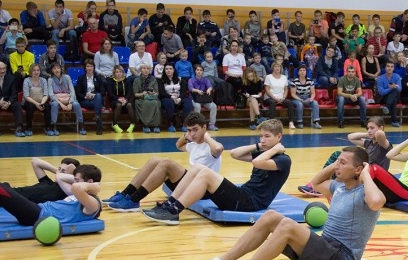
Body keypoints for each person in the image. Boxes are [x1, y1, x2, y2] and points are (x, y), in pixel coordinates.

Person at [188, 146, 385, 260]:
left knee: (288, 226)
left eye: (343, 163)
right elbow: (315, 183)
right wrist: (335, 165)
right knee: (271, 217)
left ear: (358, 169)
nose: (337, 166)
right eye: (337, 161)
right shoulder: (339, 187)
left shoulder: (366, 193)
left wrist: (366, 174)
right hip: (325, 252)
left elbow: (377, 202)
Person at [142, 120, 290, 224]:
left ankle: (173, 212)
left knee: (205, 173)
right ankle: (169, 204)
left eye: (267, 136)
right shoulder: (263, 153)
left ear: (279, 137)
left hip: (251, 203)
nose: (262, 140)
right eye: (261, 136)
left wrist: (275, 149)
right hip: (242, 195)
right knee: (197, 168)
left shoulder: (283, 160)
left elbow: (258, 162)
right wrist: (259, 145)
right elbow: (234, 153)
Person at [105, 113, 223, 212]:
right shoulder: (194, 145)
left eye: (195, 130)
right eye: (189, 130)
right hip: (188, 184)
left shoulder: (211, 147)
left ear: (204, 127)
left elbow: (218, 149)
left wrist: (206, 135)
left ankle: (134, 200)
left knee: (167, 163)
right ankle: (126, 193)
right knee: (155, 160)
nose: (192, 134)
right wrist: (186, 135)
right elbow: (179, 145)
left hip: (202, 190)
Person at [298, 118, 391, 196]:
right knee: (338, 156)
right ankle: (321, 183)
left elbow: (380, 134)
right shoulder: (369, 143)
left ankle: (320, 186)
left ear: (381, 128)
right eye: (368, 128)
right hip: (362, 173)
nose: (369, 130)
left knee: (344, 164)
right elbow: (350, 137)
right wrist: (369, 134)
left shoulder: (384, 144)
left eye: (372, 128)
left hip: (373, 177)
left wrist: (377, 132)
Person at [74, 59, 105, 135]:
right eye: (88, 66)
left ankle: (97, 115)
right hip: (85, 101)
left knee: (98, 95)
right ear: (85, 68)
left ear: (94, 67)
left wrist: (93, 94)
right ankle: (99, 125)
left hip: (95, 99)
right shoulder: (81, 78)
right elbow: (77, 93)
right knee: (98, 105)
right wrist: (85, 96)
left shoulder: (98, 77)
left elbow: (103, 92)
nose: (90, 68)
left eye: (91, 66)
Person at [133, 62, 162, 133]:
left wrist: (152, 93)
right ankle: (145, 125)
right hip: (141, 99)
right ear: (141, 70)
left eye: (148, 68)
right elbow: (135, 94)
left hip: (152, 98)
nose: (146, 70)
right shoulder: (136, 80)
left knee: (156, 103)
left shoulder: (153, 79)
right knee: (146, 103)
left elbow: (156, 92)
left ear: (150, 70)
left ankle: (156, 125)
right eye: (144, 68)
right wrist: (142, 94)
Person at [187, 64, 218, 131]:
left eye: (201, 70)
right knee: (197, 106)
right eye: (197, 70)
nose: (199, 71)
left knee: (213, 106)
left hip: (204, 99)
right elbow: (190, 88)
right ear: (195, 71)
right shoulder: (191, 80)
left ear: (203, 72)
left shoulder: (206, 80)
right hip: (195, 98)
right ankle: (197, 125)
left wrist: (209, 89)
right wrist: (197, 91)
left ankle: (212, 124)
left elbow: (210, 86)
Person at [336, 64, 367, 128]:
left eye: (352, 72)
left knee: (362, 99)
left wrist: (355, 95)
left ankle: (363, 121)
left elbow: (360, 92)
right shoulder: (342, 79)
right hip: (343, 98)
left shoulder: (357, 80)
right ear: (347, 72)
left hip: (352, 98)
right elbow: (339, 93)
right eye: (349, 71)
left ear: (355, 73)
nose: (351, 73)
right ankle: (340, 121)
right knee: (341, 99)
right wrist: (350, 95)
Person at [107, 64, 135, 133]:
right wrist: (118, 99)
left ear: (123, 72)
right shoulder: (110, 82)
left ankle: (132, 124)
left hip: (125, 100)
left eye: (120, 72)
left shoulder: (127, 81)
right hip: (114, 101)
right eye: (117, 72)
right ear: (114, 73)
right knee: (118, 105)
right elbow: (110, 94)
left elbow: (129, 92)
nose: (118, 73)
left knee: (129, 105)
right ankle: (114, 124)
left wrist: (125, 99)